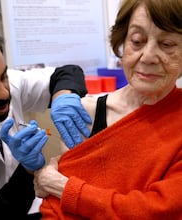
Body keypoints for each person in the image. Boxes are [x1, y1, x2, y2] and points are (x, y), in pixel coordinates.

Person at [34, 0, 182, 219]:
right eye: (137, 41)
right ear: (122, 42)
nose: (148, 57)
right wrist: (38, 171)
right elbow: (50, 200)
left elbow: (158, 210)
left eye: (167, 44)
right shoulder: (85, 113)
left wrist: (63, 187)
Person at [0, 17, 92, 220]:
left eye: (3, 76)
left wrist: (64, 96)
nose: (4, 93)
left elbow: (67, 73)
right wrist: (27, 171)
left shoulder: (8, 84)